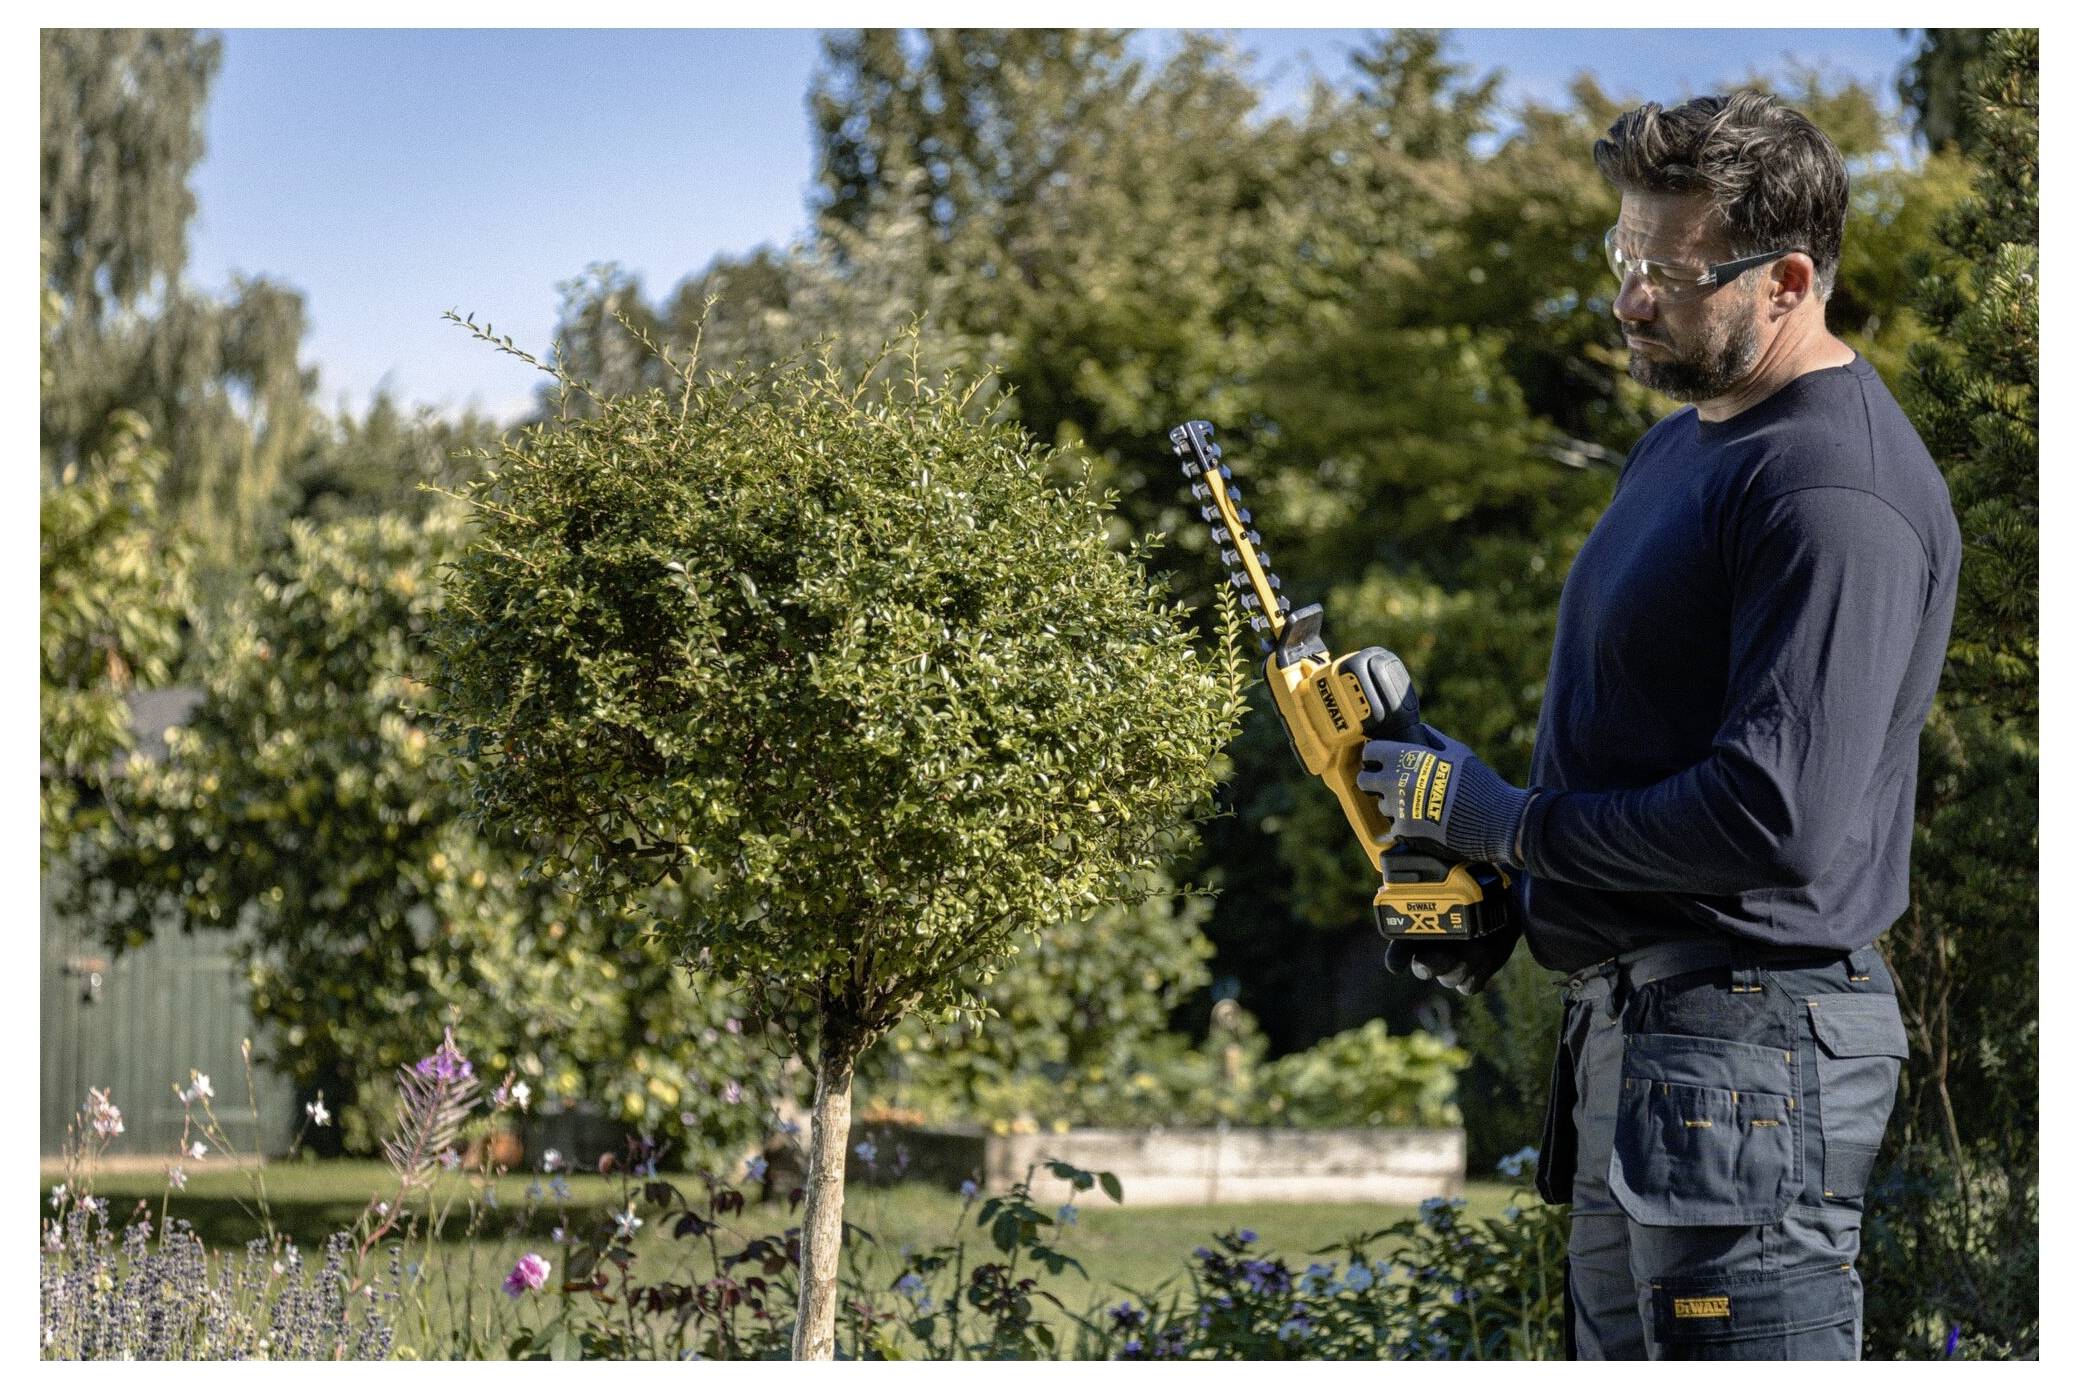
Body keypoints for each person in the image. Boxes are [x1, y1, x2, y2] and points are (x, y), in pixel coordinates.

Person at [1355, 92, 1961, 1360]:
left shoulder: (1829, 488)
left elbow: (1773, 816)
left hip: (1751, 1047)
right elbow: (1642, 746)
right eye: (1622, 261)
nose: (1630, 299)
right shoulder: (1683, 448)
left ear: (1788, 278)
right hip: (1649, 1039)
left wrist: (1512, 823)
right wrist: (1503, 885)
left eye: (1670, 275)